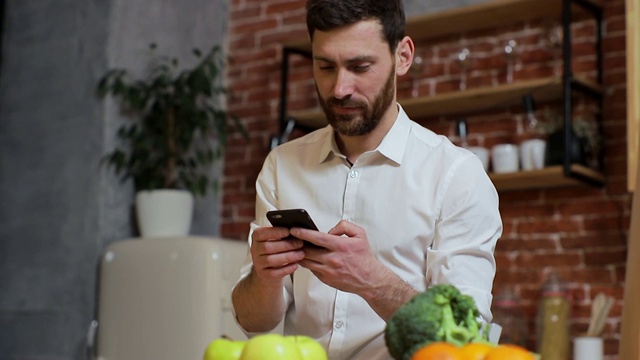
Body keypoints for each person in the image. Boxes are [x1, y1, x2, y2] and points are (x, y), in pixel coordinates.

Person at [231, 0, 502, 359]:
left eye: (360, 67)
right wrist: (264, 277)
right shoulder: (282, 165)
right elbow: (254, 321)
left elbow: (469, 339)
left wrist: (372, 280)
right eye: (325, 66)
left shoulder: (457, 176)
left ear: (402, 57)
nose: (340, 88)